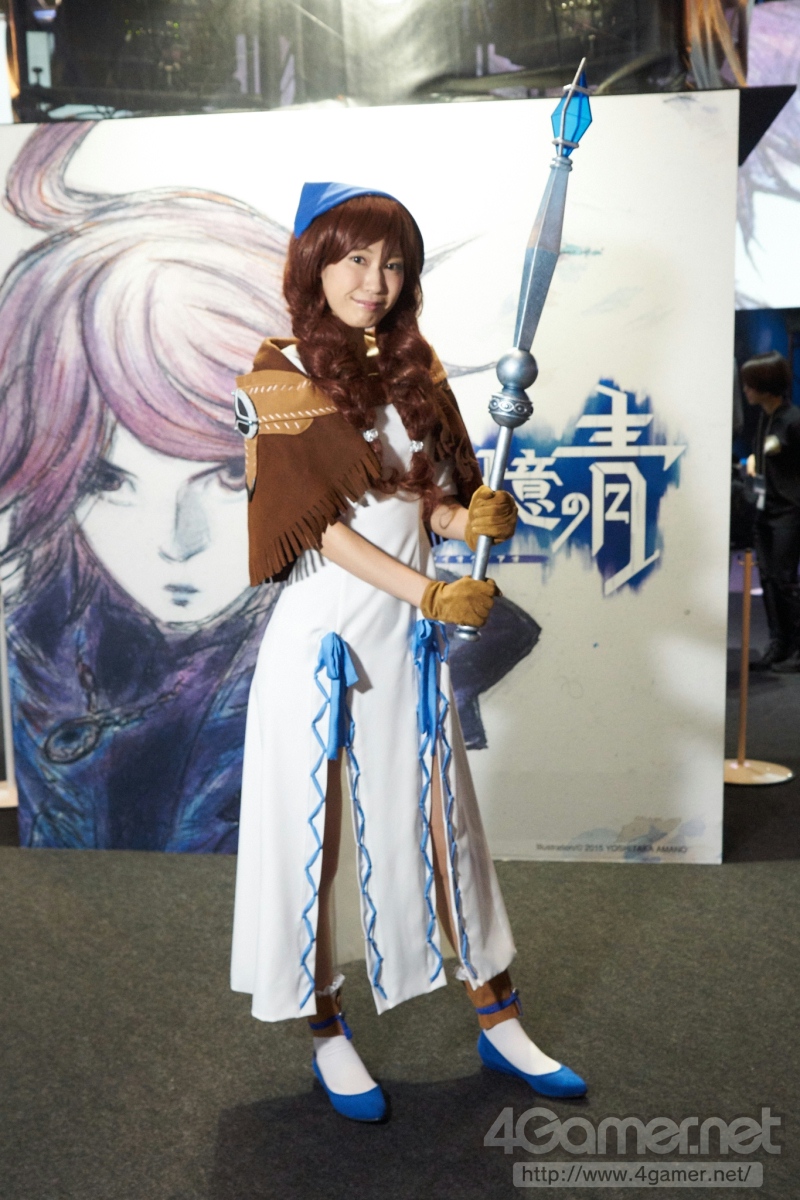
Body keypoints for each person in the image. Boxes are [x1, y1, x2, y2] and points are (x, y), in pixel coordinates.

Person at [230, 182, 586, 1122]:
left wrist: (467, 517)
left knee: (447, 830)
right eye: (355, 259)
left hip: (408, 640)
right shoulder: (273, 376)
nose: (374, 281)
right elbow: (321, 529)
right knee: (316, 842)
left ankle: (500, 1021)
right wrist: (428, 590)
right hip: (324, 643)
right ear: (315, 263)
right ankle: (326, 1031)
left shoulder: (412, 370)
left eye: (392, 263)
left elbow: (420, 498)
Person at [743, 351, 800, 671]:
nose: (746, 390)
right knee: (768, 579)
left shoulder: (793, 420)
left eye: (751, 384)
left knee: (785, 580)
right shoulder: (764, 419)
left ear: (766, 385)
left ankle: (797, 648)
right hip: (765, 509)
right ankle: (780, 642)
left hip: (789, 511)